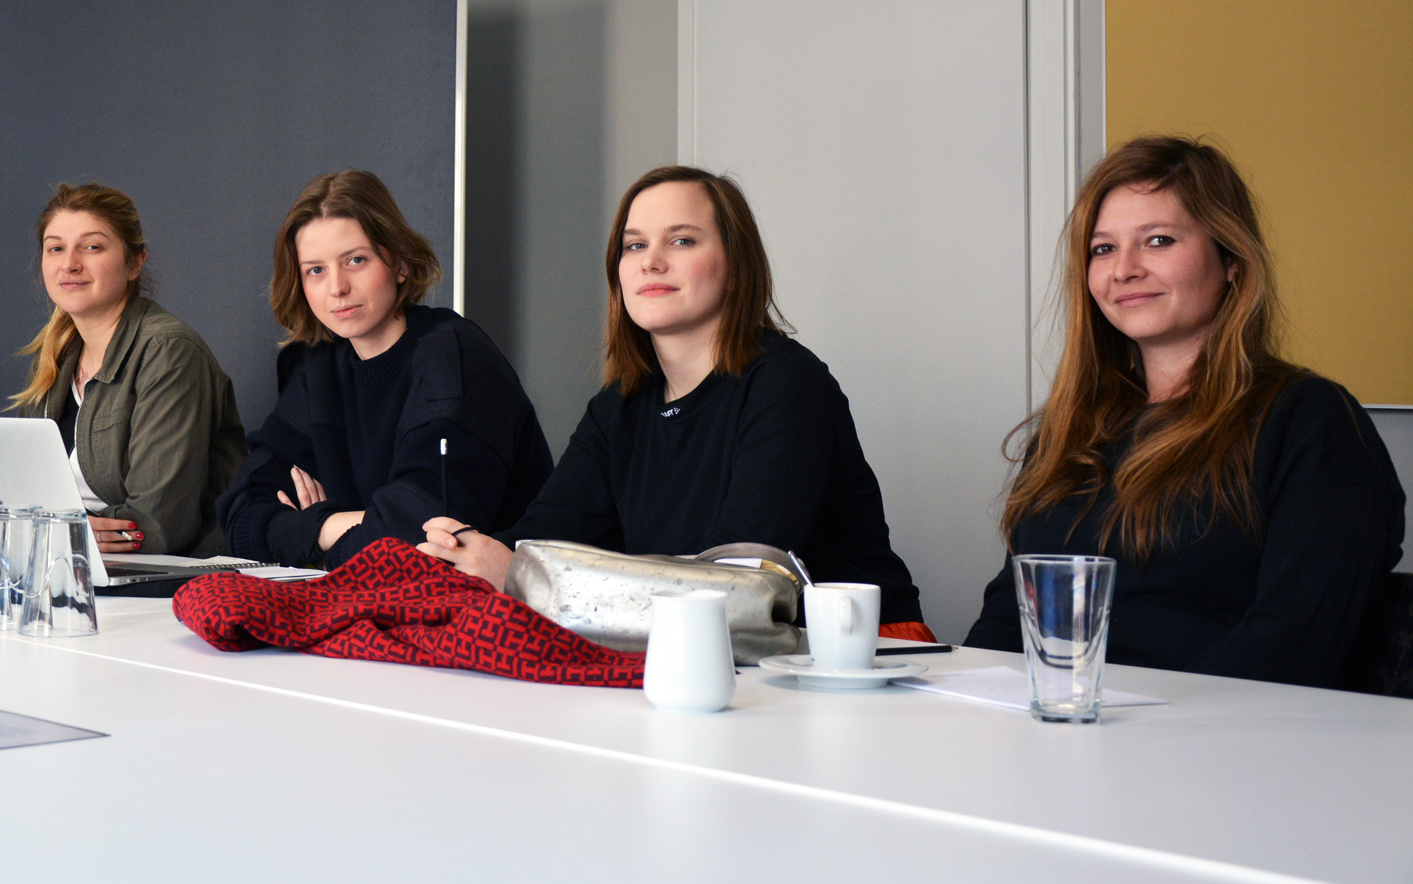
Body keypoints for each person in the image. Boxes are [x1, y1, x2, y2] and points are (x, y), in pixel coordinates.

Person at [962, 136, 1404, 687]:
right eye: (1102, 249)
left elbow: (1293, 647)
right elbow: (1009, 617)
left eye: (1158, 240)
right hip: (1056, 735)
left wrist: (1147, 730)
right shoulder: (1071, 430)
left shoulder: (1311, 422)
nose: (1124, 269)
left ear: (1233, 261)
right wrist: (967, 703)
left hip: (1221, 748)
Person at [419, 165, 931, 639]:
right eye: (634, 245)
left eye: (681, 240)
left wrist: (522, 577)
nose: (652, 262)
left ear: (735, 264)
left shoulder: (787, 383)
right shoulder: (616, 407)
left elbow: (738, 589)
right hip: (697, 651)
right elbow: (543, 541)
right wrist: (467, 553)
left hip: (859, 656)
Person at [218, 170, 553, 569]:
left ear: (400, 264)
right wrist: (346, 524)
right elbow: (240, 520)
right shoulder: (318, 365)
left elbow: (420, 541)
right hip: (371, 607)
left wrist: (311, 527)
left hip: (488, 614)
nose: (336, 288)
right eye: (316, 270)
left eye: (355, 260)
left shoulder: (452, 356)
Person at [11, 183, 245, 557]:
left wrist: (56, 532)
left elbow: (159, 525)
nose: (70, 263)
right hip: (75, 568)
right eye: (56, 248)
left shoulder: (168, 350)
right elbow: (21, 501)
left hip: (166, 583)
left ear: (135, 262)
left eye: (91, 247)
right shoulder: (55, 356)